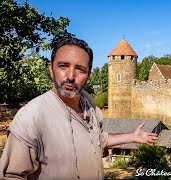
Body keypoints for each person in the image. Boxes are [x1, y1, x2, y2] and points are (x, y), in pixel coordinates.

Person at [0, 37, 159, 179]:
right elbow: (10, 175)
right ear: (51, 69)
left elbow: (99, 140)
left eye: (80, 69)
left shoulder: (89, 104)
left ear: (89, 74)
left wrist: (132, 137)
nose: (70, 76)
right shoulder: (32, 116)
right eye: (63, 66)